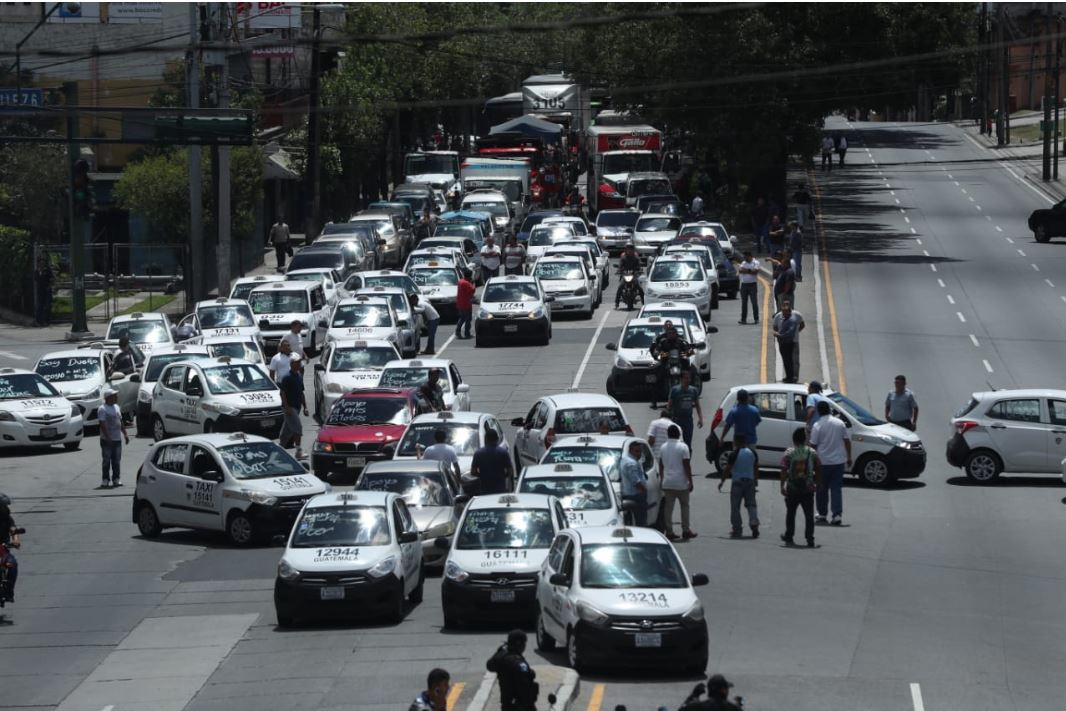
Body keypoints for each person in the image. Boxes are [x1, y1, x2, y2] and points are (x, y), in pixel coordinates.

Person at [809, 399, 851, 526]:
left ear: (819, 411)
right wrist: (849, 457)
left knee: (821, 489)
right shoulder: (839, 423)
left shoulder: (817, 426)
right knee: (836, 489)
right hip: (838, 462)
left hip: (822, 462)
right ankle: (837, 514)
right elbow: (847, 441)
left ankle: (822, 513)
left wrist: (810, 462)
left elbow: (813, 445)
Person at [780, 427, 820, 547]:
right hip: (808, 488)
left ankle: (789, 536)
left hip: (792, 488)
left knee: (791, 513)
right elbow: (819, 467)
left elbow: (783, 469)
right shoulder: (812, 452)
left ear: (794, 440)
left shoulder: (789, 453)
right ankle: (810, 539)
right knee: (809, 515)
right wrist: (817, 483)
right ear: (805, 439)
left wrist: (782, 485)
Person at [659, 424, 695, 540]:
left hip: (668, 482)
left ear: (668, 434)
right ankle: (686, 530)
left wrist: (662, 479)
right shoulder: (683, 447)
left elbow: (661, 465)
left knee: (668, 508)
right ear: (679, 434)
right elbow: (686, 465)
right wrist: (690, 481)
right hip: (681, 483)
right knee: (684, 506)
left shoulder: (663, 447)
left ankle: (669, 531)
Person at [486, 630, 538, 711]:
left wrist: (500, 651)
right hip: (520, 706)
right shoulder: (519, 664)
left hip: (507, 705)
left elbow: (489, 666)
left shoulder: (502, 657)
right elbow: (525, 688)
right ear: (520, 644)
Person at [716, 388, 762, 477]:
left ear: (738, 399)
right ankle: (752, 479)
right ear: (747, 398)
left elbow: (728, 425)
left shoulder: (734, 411)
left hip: (738, 442)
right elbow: (757, 422)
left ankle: (739, 477)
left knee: (737, 461)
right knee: (752, 460)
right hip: (751, 440)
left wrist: (722, 438)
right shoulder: (754, 410)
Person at [720, 433, 759, 538]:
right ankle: (754, 522)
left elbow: (727, 469)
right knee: (751, 504)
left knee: (735, 507)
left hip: (737, 483)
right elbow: (756, 467)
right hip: (750, 482)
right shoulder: (752, 453)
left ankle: (737, 529)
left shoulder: (734, 454)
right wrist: (756, 480)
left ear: (737, 442)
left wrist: (722, 481)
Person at [648, 321, 691, 410]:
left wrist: (686, 353)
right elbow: (656, 349)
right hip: (666, 363)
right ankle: (654, 402)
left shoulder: (681, 341)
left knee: (689, 373)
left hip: (680, 362)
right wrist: (658, 354)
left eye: (672, 333)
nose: (671, 334)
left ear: (675, 333)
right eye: (669, 333)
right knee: (658, 379)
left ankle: (691, 396)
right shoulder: (663, 341)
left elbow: (688, 349)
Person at [279, 355, 309, 459]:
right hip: (290, 407)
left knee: (287, 431)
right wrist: (286, 407)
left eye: (300, 362)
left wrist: (305, 407)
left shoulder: (299, 375)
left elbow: (301, 393)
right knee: (297, 428)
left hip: (297, 407)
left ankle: (279, 450)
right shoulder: (286, 377)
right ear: (292, 364)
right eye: (297, 362)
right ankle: (298, 452)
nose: (299, 364)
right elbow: (282, 393)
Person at [99, 389, 129, 488]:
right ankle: (105, 479)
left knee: (116, 461)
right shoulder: (102, 409)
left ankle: (116, 479)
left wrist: (125, 434)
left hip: (117, 439)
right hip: (107, 440)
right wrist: (108, 437)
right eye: (114, 396)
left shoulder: (116, 407)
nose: (116, 397)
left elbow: (120, 421)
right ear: (108, 398)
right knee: (106, 460)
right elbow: (102, 424)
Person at [471, 430, 513, 496]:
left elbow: (473, 472)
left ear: (485, 439)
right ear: (497, 439)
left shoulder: (478, 453)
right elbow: (510, 471)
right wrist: (502, 476)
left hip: (485, 489)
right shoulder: (503, 452)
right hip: (500, 489)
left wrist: (482, 475)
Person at [668, 370, 703, 448]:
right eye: (686, 378)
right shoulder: (675, 390)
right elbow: (669, 406)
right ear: (681, 379)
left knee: (687, 444)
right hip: (677, 421)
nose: (688, 380)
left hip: (688, 421)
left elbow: (697, 405)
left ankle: (687, 458)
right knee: (676, 443)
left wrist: (700, 418)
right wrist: (667, 420)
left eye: (689, 378)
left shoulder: (693, 390)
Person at [772, 300, 805, 383]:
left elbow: (802, 325)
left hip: (793, 341)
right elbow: (775, 326)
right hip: (782, 342)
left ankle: (794, 377)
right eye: (783, 307)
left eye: (787, 305)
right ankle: (789, 376)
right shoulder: (778, 316)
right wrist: (779, 335)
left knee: (794, 360)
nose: (784, 312)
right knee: (786, 359)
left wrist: (796, 332)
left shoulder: (796, 315)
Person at [619, 440, 649, 527]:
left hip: (630, 494)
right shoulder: (631, 463)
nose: (639, 453)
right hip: (635, 495)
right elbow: (635, 481)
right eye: (636, 451)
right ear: (630, 450)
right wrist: (644, 490)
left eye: (640, 451)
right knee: (641, 521)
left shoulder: (626, 460)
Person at [0, 494, 20, 602]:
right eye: (4, 506)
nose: (6, 508)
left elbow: (13, 529)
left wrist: (16, 540)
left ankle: (9, 591)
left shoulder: (7, 518)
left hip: (3, 549)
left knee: (12, 565)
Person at [614, 244, 644, 308]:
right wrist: (619, 270)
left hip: (633, 275)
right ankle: (617, 303)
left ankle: (644, 302)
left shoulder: (636, 258)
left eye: (631, 249)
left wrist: (640, 270)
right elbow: (620, 266)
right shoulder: (623, 257)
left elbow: (639, 265)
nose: (629, 251)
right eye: (628, 249)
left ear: (633, 250)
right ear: (626, 250)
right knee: (620, 287)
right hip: (625, 275)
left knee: (640, 288)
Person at [737, 250, 760, 325]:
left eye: (746, 257)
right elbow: (740, 270)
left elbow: (755, 272)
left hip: (752, 284)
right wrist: (750, 270)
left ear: (750, 256)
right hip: (744, 285)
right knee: (744, 303)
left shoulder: (755, 262)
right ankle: (743, 319)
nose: (745, 258)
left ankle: (756, 318)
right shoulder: (744, 263)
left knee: (754, 303)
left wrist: (746, 270)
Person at [455, 269, 475, 339]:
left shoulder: (460, 281)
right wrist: (472, 283)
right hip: (466, 304)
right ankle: (467, 333)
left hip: (460, 303)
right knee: (468, 319)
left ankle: (458, 331)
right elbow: (472, 291)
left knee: (462, 318)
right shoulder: (466, 283)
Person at [34, 256, 53, 327]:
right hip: (40, 291)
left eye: (43, 262)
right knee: (40, 306)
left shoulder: (47, 271)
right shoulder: (36, 271)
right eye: (40, 262)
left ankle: (46, 321)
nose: (42, 264)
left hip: (47, 291)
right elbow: (36, 280)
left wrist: (49, 287)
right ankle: (39, 321)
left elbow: (51, 280)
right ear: (38, 263)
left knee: (47, 306)